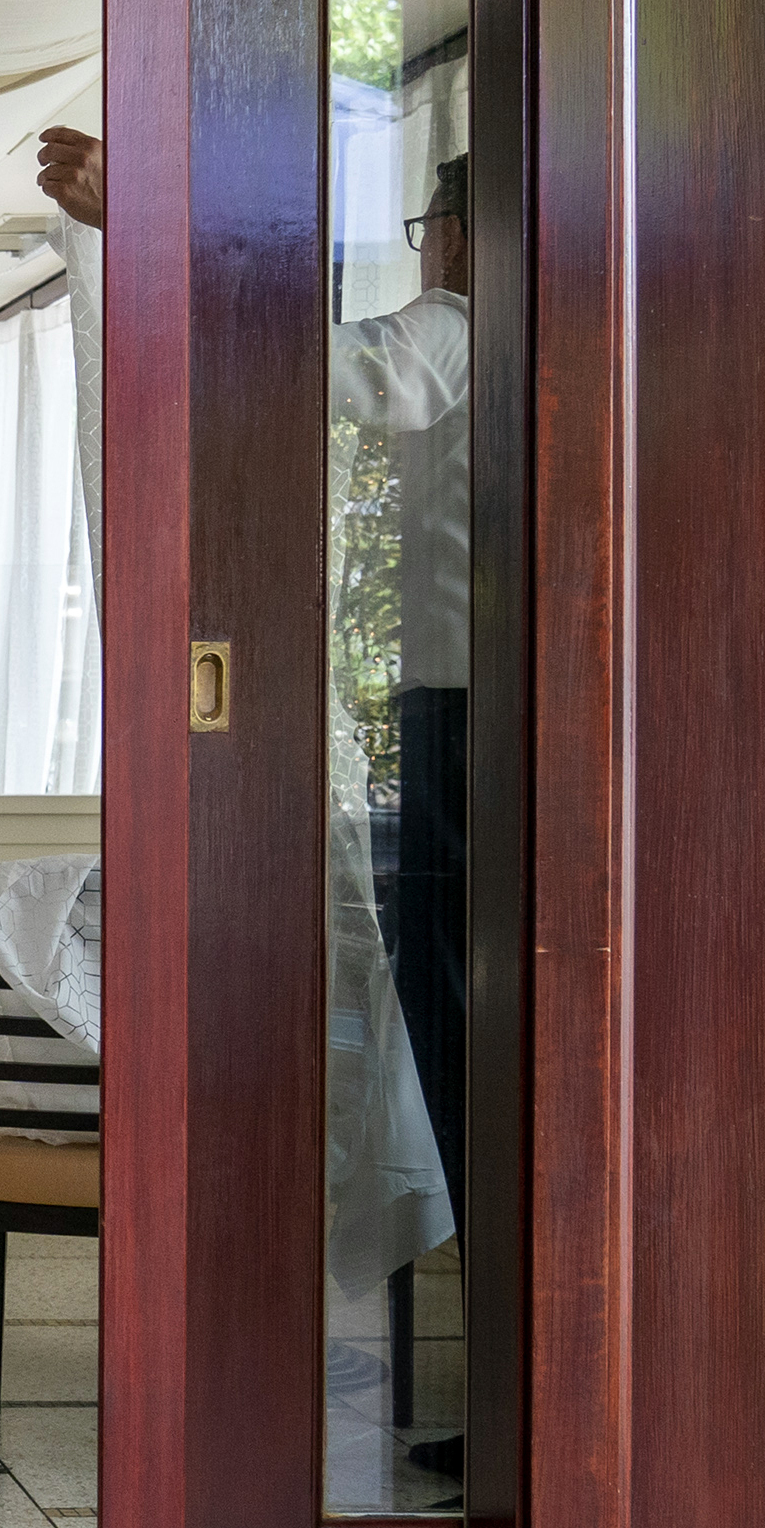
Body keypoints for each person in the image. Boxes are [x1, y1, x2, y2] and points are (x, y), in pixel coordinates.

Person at [37, 124, 468, 1192]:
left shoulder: (464, 321)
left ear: (454, 236)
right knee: (437, 975)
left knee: (447, 977)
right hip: (451, 697)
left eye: (421, 230)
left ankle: (438, 1191)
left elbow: (346, 373)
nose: (419, 252)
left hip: (468, 704)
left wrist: (148, 231)